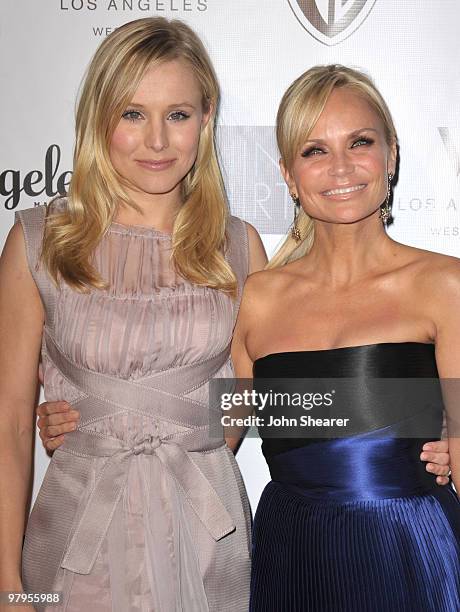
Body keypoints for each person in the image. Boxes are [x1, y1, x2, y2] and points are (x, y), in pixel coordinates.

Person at [0, 17, 267, 612]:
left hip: (206, 530)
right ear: (99, 119)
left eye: (177, 114)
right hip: (77, 530)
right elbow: (12, 427)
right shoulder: (37, 242)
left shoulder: (240, 247)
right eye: (131, 114)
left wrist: (421, 421)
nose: (157, 141)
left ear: (206, 118)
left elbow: (249, 397)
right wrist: (7, 585)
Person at [230, 65, 460, 611]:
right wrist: (94, 419)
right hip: (291, 554)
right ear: (288, 174)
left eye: (360, 142)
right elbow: (214, 435)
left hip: (411, 554)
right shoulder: (257, 298)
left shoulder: (443, 285)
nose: (341, 167)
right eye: (314, 150)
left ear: (392, 154)